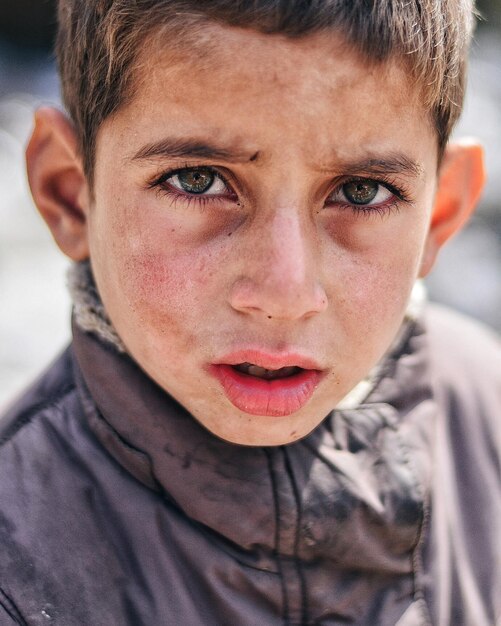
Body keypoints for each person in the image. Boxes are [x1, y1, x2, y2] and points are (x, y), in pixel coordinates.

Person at [0, 1, 499, 624]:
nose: (284, 294)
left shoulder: (485, 416)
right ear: (70, 195)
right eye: (200, 180)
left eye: (361, 192)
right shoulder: (18, 571)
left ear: (441, 212)